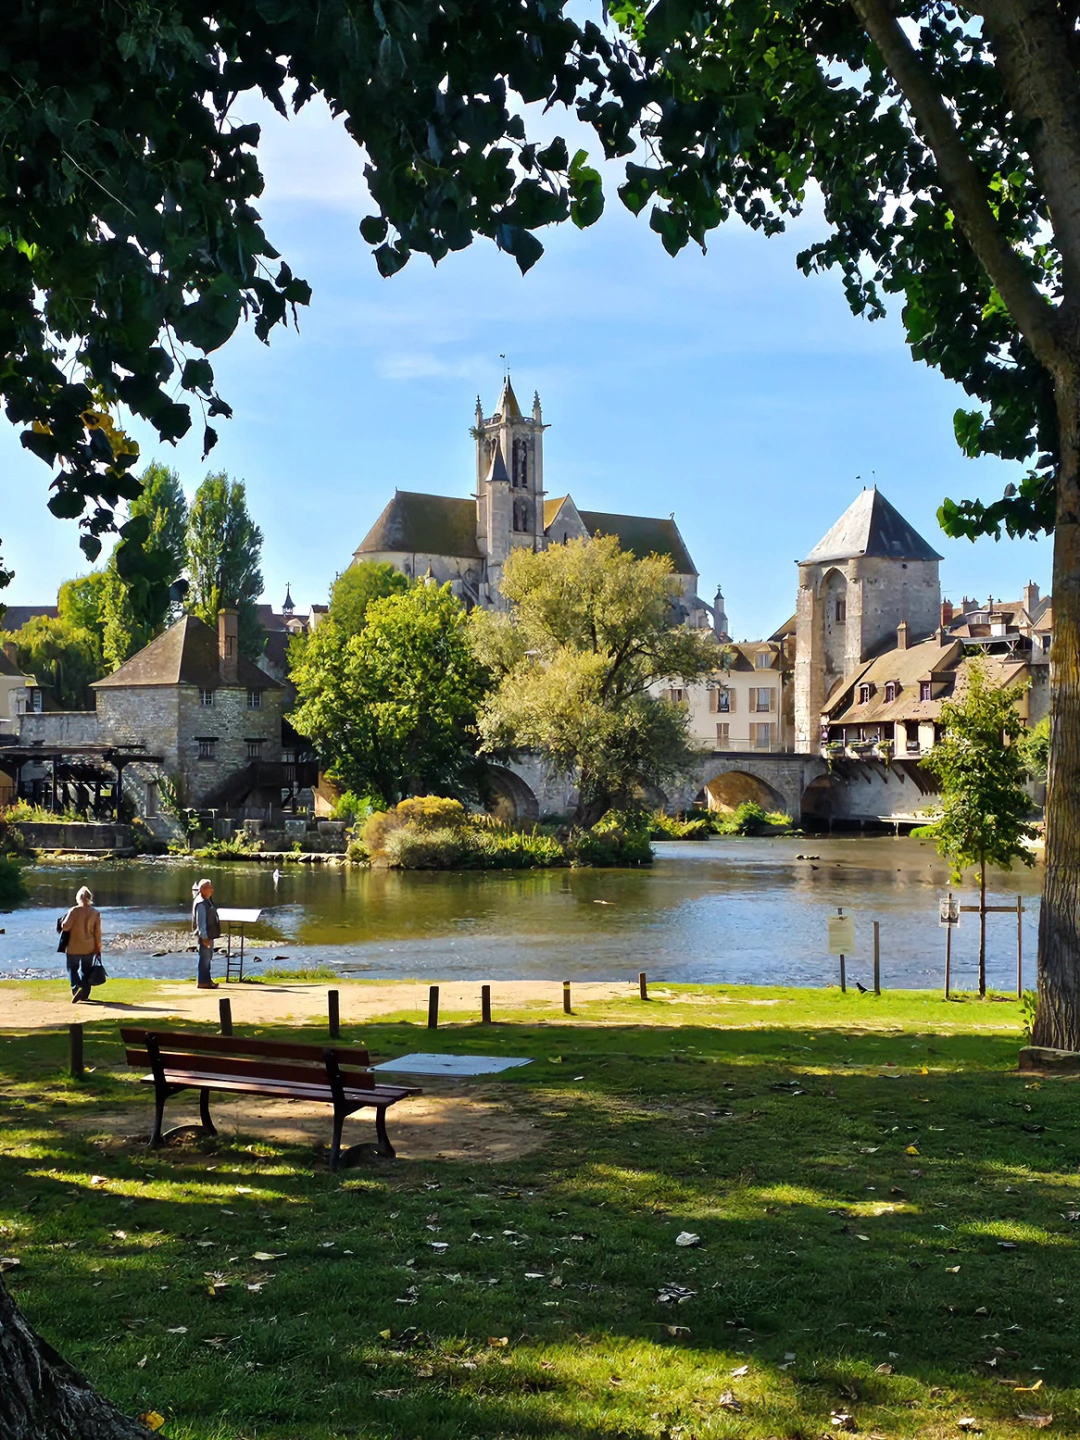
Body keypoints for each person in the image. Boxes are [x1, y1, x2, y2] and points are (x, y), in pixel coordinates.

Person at [61, 886, 102, 1003]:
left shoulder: (74, 911)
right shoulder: (95, 913)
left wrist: (61, 923)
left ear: (78, 898)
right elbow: (98, 932)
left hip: (73, 945)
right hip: (89, 946)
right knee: (86, 970)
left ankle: (77, 987)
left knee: (72, 968)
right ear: (90, 898)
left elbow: (65, 926)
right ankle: (85, 994)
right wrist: (98, 947)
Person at [191, 878, 220, 990]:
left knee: (207, 958)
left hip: (209, 934)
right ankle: (203, 982)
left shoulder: (206, 900)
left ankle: (207, 981)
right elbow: (201, 922)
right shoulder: (201, 903)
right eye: (209, 888)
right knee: (204, 959)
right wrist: (204, 937)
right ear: (202, 889)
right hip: (205, 936)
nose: (212, 890)